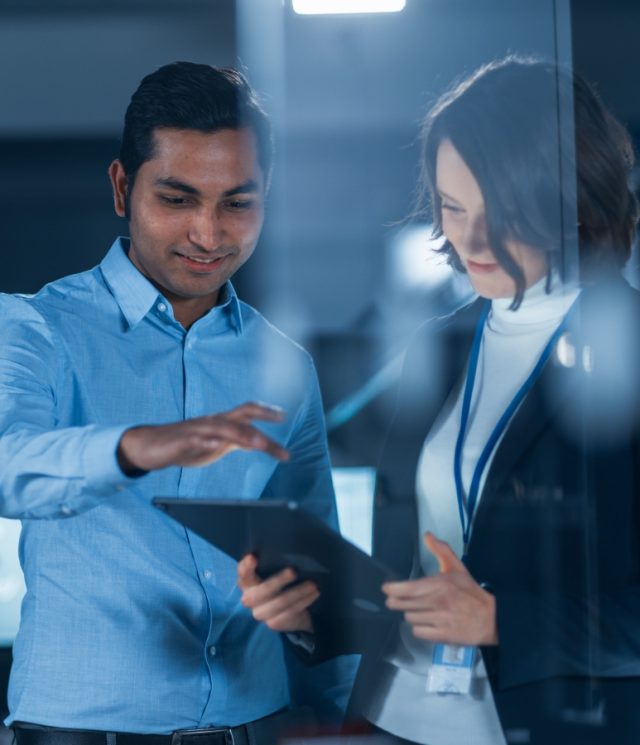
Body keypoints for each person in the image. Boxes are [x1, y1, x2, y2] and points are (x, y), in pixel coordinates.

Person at [238, 56, 640, 744]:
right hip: (395, 718)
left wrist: (497, 620)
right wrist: (314, 609)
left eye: (503, 212)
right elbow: (411, 572)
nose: (471, 239)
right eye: (454, 208)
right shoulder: (442, 342)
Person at [0, 61, 355, 744]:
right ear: (121, 187)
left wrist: (340, 717)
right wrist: (137, 445)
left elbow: (318, 578)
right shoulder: (34, 326)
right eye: (177, 198)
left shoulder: (283, 364)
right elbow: (8, 465)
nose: (208, 233)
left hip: (258, 727)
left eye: (237, 202)